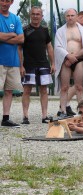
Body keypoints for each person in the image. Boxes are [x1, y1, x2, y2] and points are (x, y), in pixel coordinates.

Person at [18, 6, 55, 124]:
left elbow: (49, 47)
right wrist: (21, 65)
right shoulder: (24, 30)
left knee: (44, 90)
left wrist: (53, 63)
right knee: (27, 90)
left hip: (43, 64)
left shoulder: (45, 30)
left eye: (38, 14)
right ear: (30, 15)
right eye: (33, 14)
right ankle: (25, 116)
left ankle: (44, 116)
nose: (35, 16)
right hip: (28, 65)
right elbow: (19, 48)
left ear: (41, 16)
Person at [54, 8, 83, 119]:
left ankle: (82, 111)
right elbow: (58, 47)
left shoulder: (82, 31)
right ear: (65, 17)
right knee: (64, 87)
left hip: (78, 60)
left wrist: (73, 56)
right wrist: (67, 56)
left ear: (76, 16)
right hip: (65, 61)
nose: (70, 18)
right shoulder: (61, 31)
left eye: (72, 15)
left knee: (79, 87)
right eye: (68, 16)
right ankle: (62, 111)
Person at [0, 0, 24, 128]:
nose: (5, 3)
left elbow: (21, 38)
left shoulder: (15, 18)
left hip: (13, 61)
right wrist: (11, 34)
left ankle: (5, 118)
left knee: (9, 91)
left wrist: (4, 37)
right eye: (3, 0)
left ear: (12, 2)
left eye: (7, 0)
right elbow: (16, 37)